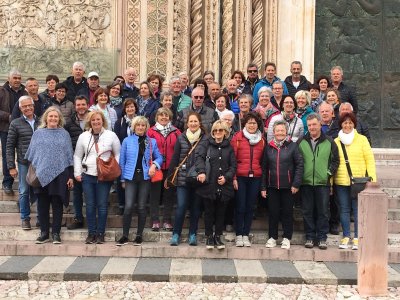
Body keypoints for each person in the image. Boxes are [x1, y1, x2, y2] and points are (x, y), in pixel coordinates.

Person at [25, 107, 74, 244]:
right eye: (50, 116)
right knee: (43, 205)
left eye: (56, 117)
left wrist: (70, 176)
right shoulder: (38, 133)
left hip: (60, 175)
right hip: (41, 173)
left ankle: (56, 233)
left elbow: (69, 157)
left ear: (59, 119)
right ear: (46, 118)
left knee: (57, 204)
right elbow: (32, 155)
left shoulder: (64, 134)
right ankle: (44, 233)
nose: (53, 119)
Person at [74, 111, 121, 244]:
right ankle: (91, 233)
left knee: (102, 205)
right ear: (90, 122)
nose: (96, 122)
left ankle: (100, 233)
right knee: (89, 205)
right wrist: (77, 172)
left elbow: (118, 153)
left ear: (103, 121)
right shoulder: (83, 136)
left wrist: (114, 170)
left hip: (104, 176)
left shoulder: (111, 135)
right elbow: (77, 155)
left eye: (98, 120)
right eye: (93, 120)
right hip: (88, 175)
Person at [116, 116, 163, 246]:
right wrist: (122, 179)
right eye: (138, 125)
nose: (140, 127)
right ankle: (125, 235)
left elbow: (160, 157)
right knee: (129, 206)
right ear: (134, 127)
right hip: (130, 177)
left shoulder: (151, 141)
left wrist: (154, 165)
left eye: (143, 125)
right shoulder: (127, 140)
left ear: (146, 127)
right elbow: (122, 161)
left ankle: (139, 235)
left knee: (142, 206)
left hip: (145, 177)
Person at [334, 112, 376, 250]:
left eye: (350, 123)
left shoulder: (362, 139)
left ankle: (358, 237)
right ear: (341, 124)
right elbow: (333, 161)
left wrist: (372, 179)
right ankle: (346, 236)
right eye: (345, 123)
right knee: (344, 210)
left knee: (357, 209)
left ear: (354, 124)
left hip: (358, 181)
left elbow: (369, 160)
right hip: (341, 181)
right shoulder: (336, 141)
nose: (347, 125)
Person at [298, 113, 339, 250]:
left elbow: (335, 161)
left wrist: (328, 174)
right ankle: (309, 236)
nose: (312, 127)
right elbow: (297, 161)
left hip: (323, 183)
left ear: (320, 124)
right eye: (309, 125)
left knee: (323, 211)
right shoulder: (301, 142)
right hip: (306, 182)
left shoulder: (329, 141)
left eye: (314, 124)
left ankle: (322, 237)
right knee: (307, 211)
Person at [167, 112, 208, 246]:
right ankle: (176, 234)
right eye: (191, 121)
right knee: (181, 206)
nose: (193, 124)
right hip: (182, 178)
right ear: (187, 123)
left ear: (199, 122)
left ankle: (192, 234)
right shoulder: (181, 137)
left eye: (195, 121)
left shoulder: (205, 138)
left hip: (197, 178)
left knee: (196, 208)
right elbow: (175, 157)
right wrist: (169, 176)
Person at [261, 120, 303, 249]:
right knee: (273, 213)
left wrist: (296, 183)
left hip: (288, 187)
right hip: (272, 186)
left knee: (287, 213)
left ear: (286, 132)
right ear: (273, 132)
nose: (280, 133)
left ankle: (286, 237)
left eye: (282, 130)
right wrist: (263, 187)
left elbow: (299, 165)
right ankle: (272, 237)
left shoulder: (293, 146)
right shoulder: (268, 147)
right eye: (277, 130)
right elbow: (264, 168)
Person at [196, 120, 236, 250]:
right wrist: (201, 172)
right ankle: (209, 236)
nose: (218, 133)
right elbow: (199, 159)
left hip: (224, 185)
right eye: (215, 130)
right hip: (209, 184)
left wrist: (227, 177)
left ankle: (218, 236)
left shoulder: (229, 147)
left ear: (225, 132)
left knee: (221, 212)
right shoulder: (206, 144)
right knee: (209, 212)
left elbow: (233, 166)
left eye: (221, 130)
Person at [231, 112, 265, 247]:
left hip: (255, 177)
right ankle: (239, 234)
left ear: (258, 125)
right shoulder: (238, 138)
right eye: (249, 122)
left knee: (250, 206)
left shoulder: (262, 140)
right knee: (240, 206)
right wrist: (233, 178)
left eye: (254, 123)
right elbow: (232, 160)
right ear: (245, 124)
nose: (252, 125)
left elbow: (263, 161)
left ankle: (246, 234)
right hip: (240, 177)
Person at [6, 96, 39, 230]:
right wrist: (11, 166)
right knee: (24, 191)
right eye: (24, 106)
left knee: (39, 191)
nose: (28, 108)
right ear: (20, 108)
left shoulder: (42, 121)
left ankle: (40, 218)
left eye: (29, 105)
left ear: (33, 105)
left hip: (39, 162)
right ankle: (25, 218)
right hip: (24, 162)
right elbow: (9, 146)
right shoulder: (15, 123)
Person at [147, 108, 181, 231]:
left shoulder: (176, 132)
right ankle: (155, 220)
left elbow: (180, 149)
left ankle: (167, 220)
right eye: (161, 115)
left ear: (170, 117)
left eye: (166, 115)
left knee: (169, 195)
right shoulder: (150, 131)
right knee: (154, 195)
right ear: (157, 117)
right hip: (156, 167)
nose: (164, 117)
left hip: (171, 168)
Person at [0, 69, 27, 195]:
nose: (17, 80)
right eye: (14, 78)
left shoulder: (24, 91)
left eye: (19, 78)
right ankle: (7, 183)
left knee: (24, 155)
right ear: (9, 79)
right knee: (7, 155)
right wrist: (9, 117)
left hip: (23, 129)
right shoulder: (2, 91)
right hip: (6, 128)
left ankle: (26, 181)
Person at [65, 95, 89, 230]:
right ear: (75, 106)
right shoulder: (69, 123)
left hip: (92, 162)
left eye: (83, 104)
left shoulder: (94, 119)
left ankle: (92, 217)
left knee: (92, 192)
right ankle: (78, 218)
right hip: (77, 161)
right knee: (77, 192)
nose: (81, 107)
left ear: (87, 105)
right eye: (78, 104)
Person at [112, 98, 138, 215]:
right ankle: (122, 205)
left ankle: (134, 205)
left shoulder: (140, 120)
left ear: (135, 108)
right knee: (121, 179)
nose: (130, 109)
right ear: (124, 109)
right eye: (128, 107)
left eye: (132, 106)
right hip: (123, 154)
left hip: (137, 154)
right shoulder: (119, 122)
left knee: (136, 179)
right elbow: (116, 138)